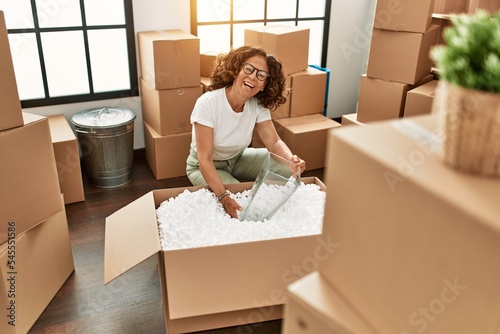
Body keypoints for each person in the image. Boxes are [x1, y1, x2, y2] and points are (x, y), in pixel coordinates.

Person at [186, 45, 306, 219]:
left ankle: (234, 178)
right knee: (239, 203)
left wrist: (292, 161)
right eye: (249, 69)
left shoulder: (257, 105)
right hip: (204, 165)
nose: (252, 77)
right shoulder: (208, 103)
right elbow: (204, 159)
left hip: (238, 159)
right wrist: (224, 197)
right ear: (236, 70)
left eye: (261, 75)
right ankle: (227, 184)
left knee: (288, 170)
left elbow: (273, 142)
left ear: (264, 84)